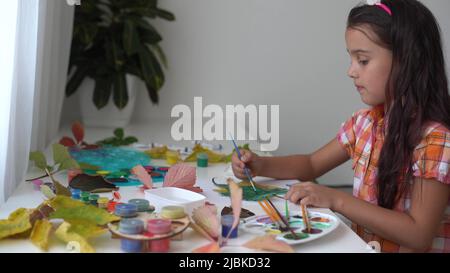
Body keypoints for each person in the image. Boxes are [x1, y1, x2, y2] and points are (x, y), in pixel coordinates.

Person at [231, 0, 450, 252]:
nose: (351, 71)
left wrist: (336, 199)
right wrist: (260, 164)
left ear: (407, 61)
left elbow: (418, 234)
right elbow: (311, 164)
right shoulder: (364, 123)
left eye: (363, 60)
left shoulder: (434, 141)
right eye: (351, 59)